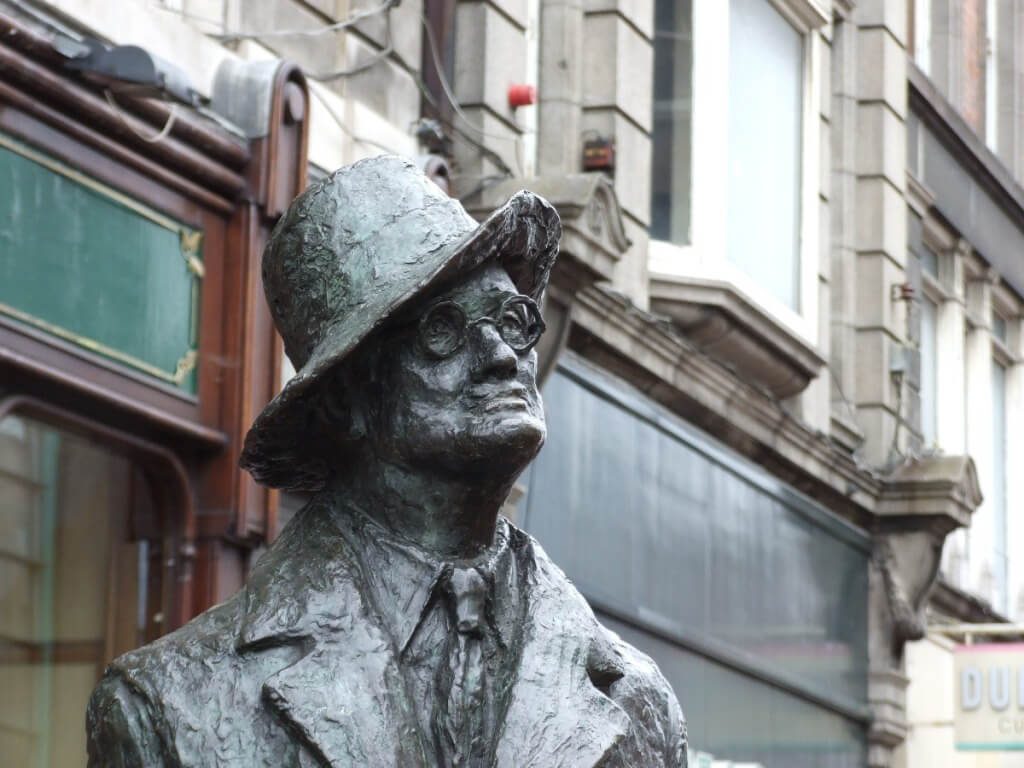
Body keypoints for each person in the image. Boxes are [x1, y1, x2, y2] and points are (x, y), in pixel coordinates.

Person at [86, 156, 686, 767]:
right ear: (347, 398)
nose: (502, 356)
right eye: (442, 332)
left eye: (513, 320)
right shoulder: (171, 703)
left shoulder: (639, 702)